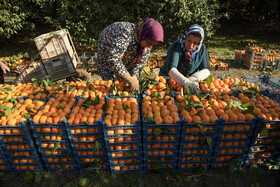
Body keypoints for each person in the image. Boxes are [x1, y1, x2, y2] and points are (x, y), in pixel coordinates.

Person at [97, 18, 164, 91]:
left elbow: (140, 64)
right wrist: (129, 78)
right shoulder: (126, 33)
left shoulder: (147, 43)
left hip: (125, 58)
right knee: (111, 86)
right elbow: (114, 58)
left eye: (153, 45)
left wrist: (134, 77)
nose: (149, 47)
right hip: (107, 53)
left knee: (125, 84)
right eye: (149, 43)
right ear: (143, 35)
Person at [159, 24, 210, 94]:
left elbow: (206, 69)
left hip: (189, 82)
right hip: (168, 80)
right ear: (185, 37)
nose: (191, 45)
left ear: (199, 43)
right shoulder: (176, 46)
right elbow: (171, 68)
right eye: (189, 41)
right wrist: (185, 81)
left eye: (195, 43)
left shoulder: (202, 49)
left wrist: (195, 78)